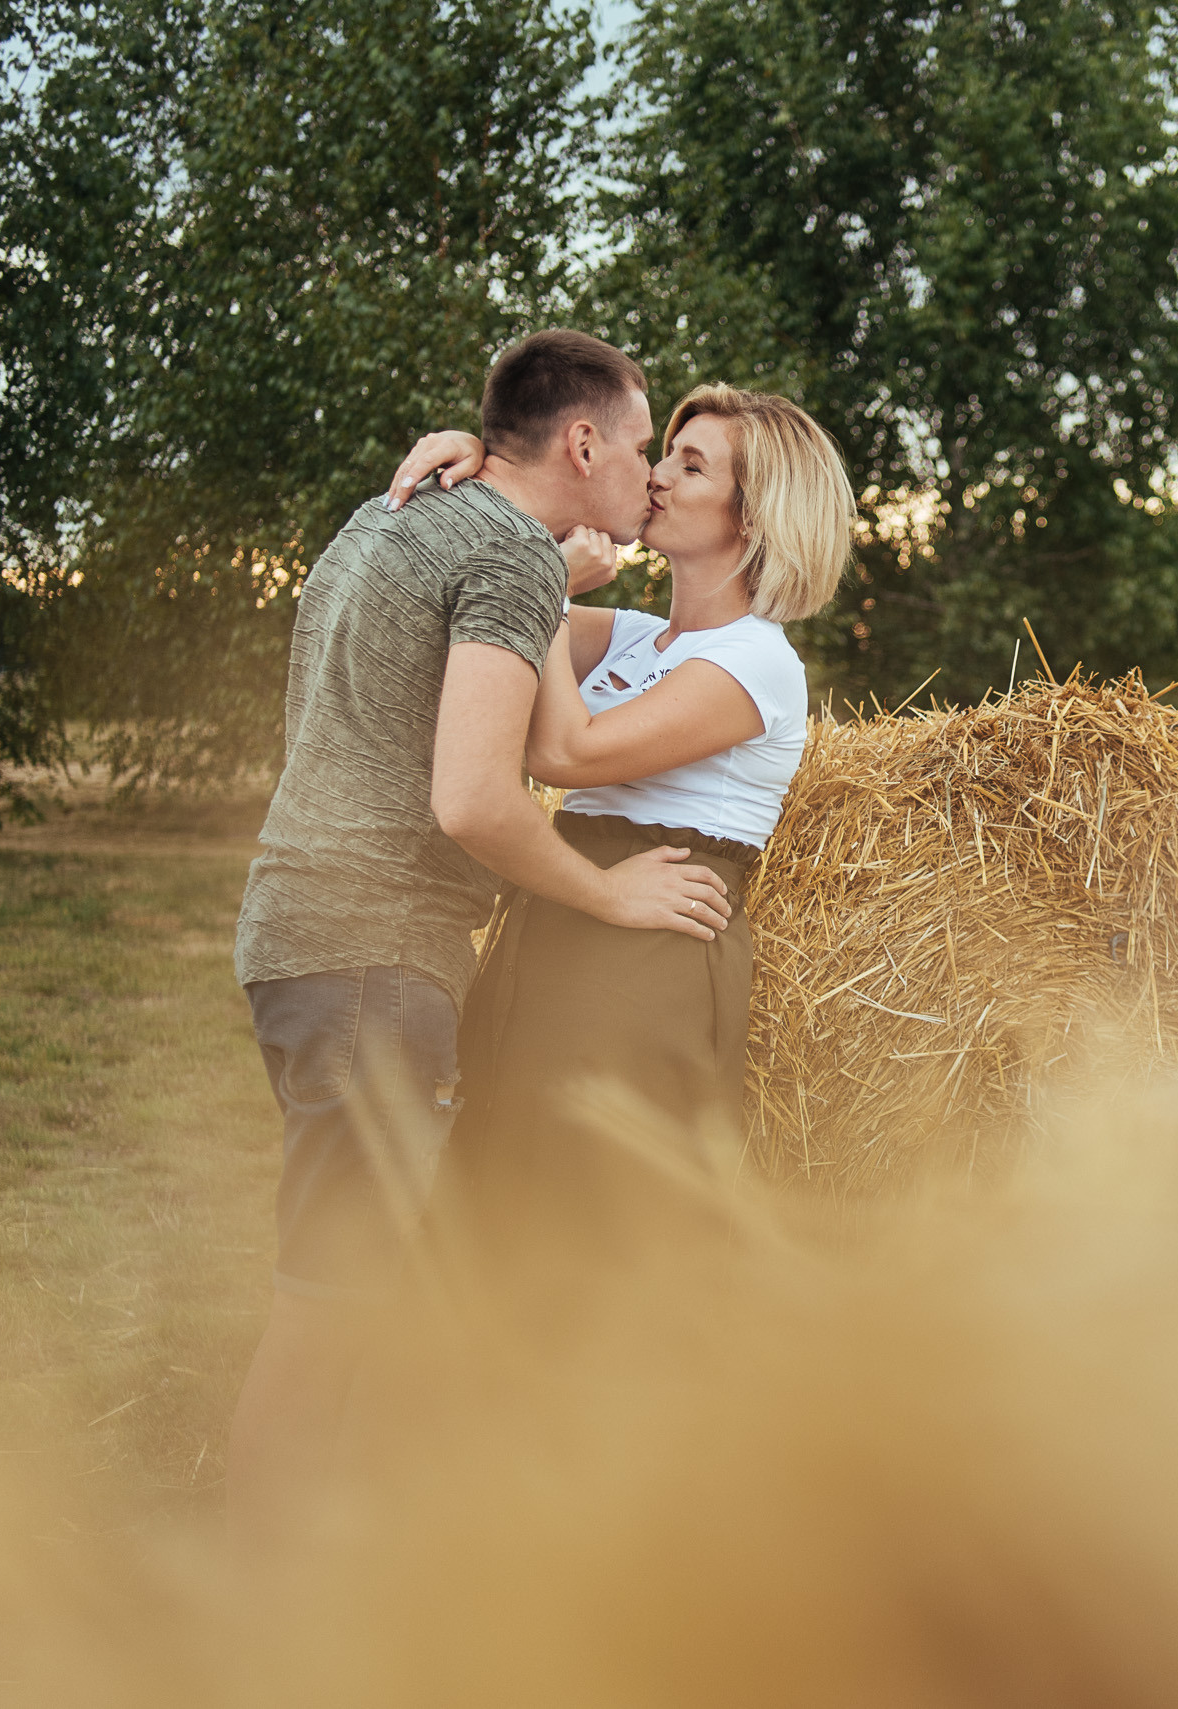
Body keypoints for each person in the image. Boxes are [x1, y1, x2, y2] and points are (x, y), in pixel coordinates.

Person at [227, 330, 733, 1557]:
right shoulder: (505, 555)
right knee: (333, 1298)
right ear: (580, 442)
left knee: (347, 1277)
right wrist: (607, 897)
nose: (649, 473)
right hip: (376, 949)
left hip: (295, 930)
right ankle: (247, 1583)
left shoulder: (391, 513)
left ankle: (312, 1553)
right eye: (638, 440)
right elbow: (474, 797)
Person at [383, 384, 852, 1262]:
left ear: (753, 517)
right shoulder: (638, 638)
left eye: (692, 462)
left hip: (647, 950)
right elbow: (474, 602)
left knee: (593, 1215)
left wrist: (551, 586)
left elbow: (565, 751)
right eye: (666, 451)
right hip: (564, 917)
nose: (659, 475)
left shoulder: (758, 661)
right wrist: (484, 464)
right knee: (496, 1187)